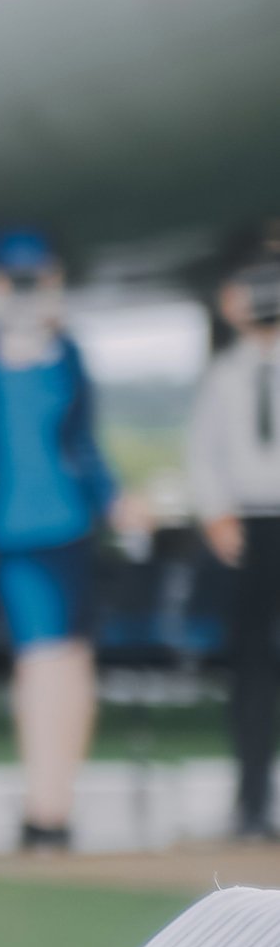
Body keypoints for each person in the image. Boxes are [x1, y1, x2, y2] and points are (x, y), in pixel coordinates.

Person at [0, 228, 122, 852]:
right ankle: (42, 806)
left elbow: (85, 443)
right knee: (40, 661)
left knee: (72, 664)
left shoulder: (67, 353)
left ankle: (57, 803)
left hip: (72, 528)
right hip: (14, 532)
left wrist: (115, 499)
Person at [186, 252, 280, 841]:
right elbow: (204, 455)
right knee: (250, 669)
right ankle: (252, 802)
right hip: (248, 529)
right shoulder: (225, 375)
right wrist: (217, 515)